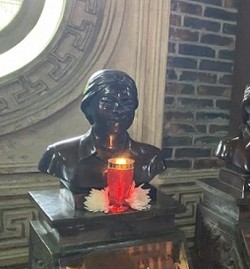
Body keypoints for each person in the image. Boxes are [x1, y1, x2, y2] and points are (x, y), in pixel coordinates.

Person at [38, 69, 167, 195]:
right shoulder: (59, 155)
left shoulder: (151, 157)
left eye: (126, 102)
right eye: (108, 102)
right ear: (88, 108)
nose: (118, 110)